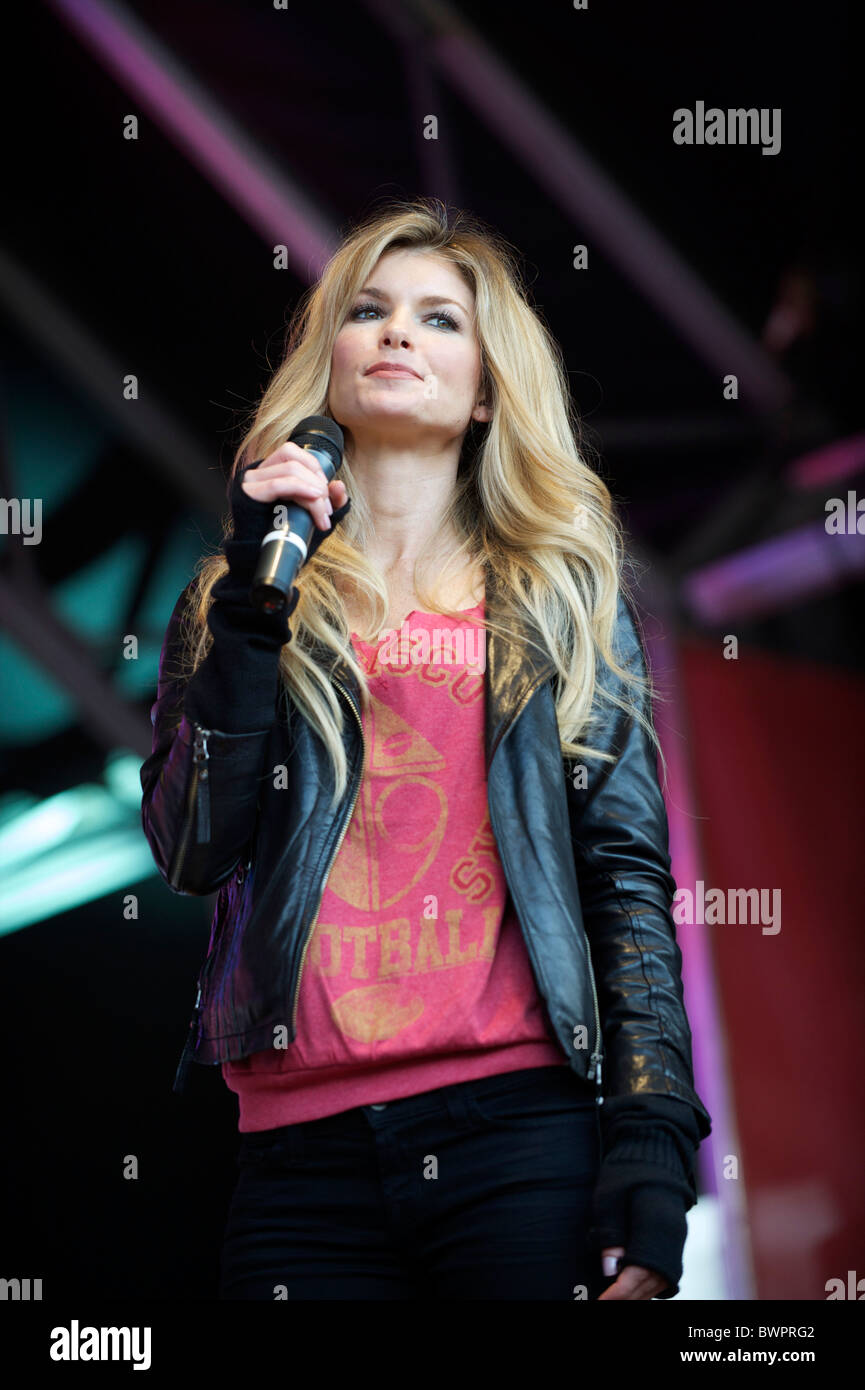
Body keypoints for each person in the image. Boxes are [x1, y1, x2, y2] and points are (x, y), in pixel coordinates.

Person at [140, 196, 712, 1301]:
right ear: (332, 359)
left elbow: (626, 880)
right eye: (369, 310)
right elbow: (191, 850)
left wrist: (650, 1139)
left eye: (440, 319)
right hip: (298, 1152)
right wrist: (255, 614)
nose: (398, 332)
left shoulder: (559, 602)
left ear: (489, 388)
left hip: (521, 1131)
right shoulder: (237, 597)